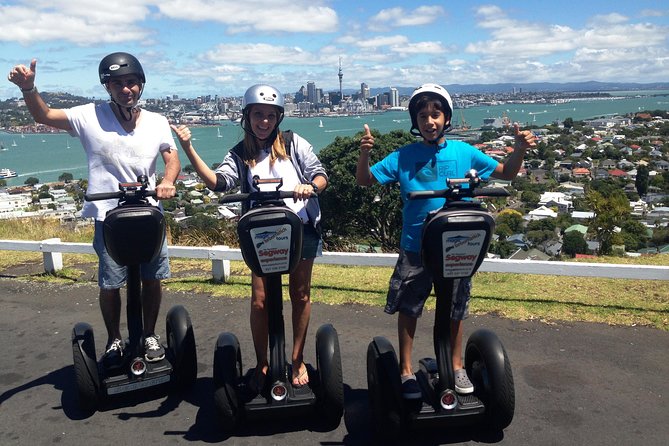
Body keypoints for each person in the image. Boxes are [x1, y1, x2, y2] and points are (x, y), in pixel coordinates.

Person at [356, 83, 535, 399]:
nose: (429, 121)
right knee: (410, 308)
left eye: (435, 114)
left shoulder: (463, 151)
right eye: (422, 116)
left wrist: (519, 150)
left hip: (456, 244)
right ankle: (406, 370)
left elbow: (506, 174)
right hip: (417, 246)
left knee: (454, 308)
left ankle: (455, 366)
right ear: (416, 121)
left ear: (447, 118)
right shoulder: (403, 156)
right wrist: (366, 153)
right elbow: (366, 180)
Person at [8, 53, 181, 368]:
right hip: (108, 216)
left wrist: (168, 182)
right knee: (110, 282)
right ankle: (115, 338)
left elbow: (171, 158)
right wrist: (29, 90)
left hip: (148, 213)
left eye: (131, 82)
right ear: (108, 86)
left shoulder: (157, 121)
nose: (126, 89)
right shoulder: (88, 115)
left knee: (152, 277)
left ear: (140, 84)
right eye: (118, 83)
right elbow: (45, 116)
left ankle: (150, 335)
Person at [171, 84, 327, 390]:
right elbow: (219, 183)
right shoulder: (240, 153)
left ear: (278, 118)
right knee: (259, 301)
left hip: (300, 228)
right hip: (261, 232)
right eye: (258, 115)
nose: (264, 121)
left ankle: (296, 360)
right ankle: (264, 363)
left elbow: (319, 173)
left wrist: (311, 187)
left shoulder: (294, 143)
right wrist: (189, 149)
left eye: (271, 115)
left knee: (300, 295)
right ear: (248, 116)